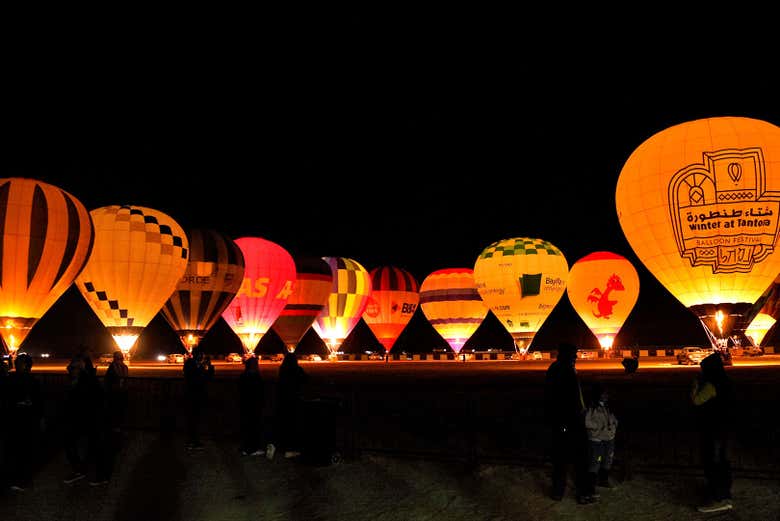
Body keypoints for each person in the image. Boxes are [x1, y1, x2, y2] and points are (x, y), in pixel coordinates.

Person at [543, 342, 592, 504]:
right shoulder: (563, 371)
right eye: (574, 354)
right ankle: (582, 492)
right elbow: (560, 399)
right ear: (567, 355)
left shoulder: (557, 369)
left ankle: (559, 491)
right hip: (569, 421)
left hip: (564, 421)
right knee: (578, 457)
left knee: (561, 458)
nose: (576, 356)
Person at [692, 351, 734, 513]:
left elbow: (696, 400)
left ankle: (717, 498)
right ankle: (725, 495)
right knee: (723, 462)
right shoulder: (727, 382)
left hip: (713, 428)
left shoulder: (711, 384)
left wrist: (696, 384)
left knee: (712, 462)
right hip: (726, 427)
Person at [62, 352, 111, 486]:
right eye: (70, 368)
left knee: (94, 447)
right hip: (81, 419)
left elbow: (96, 400)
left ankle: (100, 475)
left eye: (72, 368)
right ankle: (83, 470)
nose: (69, 370)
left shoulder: (87, 382)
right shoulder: (77, 381)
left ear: (80, 368)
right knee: (75, 444)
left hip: (90, 419)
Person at [4, 353, 43, 491]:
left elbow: (37, 403)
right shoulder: (31, 380)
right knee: (21, 451)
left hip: (22, 421)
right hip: (22, 421)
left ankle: (21, 479)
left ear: (25, 365)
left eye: (19, 362)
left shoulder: (16, 379)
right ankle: (22, 479)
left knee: (21, 451)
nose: (16, 364)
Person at [267, 351, 308, 460]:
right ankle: (290, 450)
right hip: (294, 401)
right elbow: (306, 379)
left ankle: (274, 445)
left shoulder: (282, 369)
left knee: (282, 424)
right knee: (293, 425)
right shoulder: (298, 370)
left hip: (281, 400)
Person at [584, 382, 618, 497]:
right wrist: (598, 427)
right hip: (597, 440)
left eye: (606, 394)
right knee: (595, 463)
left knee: (607, 460)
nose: (606, 396)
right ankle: (590, 488)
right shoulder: (591, 408)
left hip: (608, 438)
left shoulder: (608, 406)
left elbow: (613, 419)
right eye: (603, 394)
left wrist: (613, 426)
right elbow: (587, 422)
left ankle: (603, 480)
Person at [183, 348, 214, 450]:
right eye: (201, 355)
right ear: (198, 355)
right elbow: (207, 377)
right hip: (196, 395)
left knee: (192, 419)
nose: (202, 357)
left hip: (191, 394)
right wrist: (209, 366)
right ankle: (193, 442)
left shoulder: (190, 364)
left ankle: (191, 441)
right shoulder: (194, 365)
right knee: (194, 419)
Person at [238, 356, 266, 456]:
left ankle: (245, 448)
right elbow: (261, 392)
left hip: (244, 405)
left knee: (245, 426)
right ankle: (252, 449)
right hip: (254, 406)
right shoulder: (256, 377)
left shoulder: (242, 376)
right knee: (254, 427)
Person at [104, 350, 129, 432]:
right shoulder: (118, 367)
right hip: (115, 391)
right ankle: (115, 425)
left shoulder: (121, 367)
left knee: (119, 408)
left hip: (120, 390)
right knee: (115, 408)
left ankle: (117, 425)